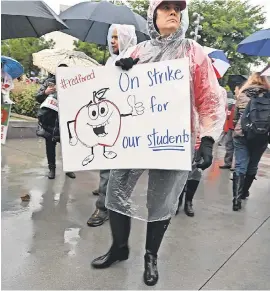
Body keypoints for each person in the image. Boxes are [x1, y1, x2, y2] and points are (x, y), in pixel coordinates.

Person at [91, 0, 226, 286]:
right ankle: (119, 247)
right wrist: (120, 69)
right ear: (153, 15)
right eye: (165, 7)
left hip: (173, 141)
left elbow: (211, 99)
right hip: (135, 139)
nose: (173, 12)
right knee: (116, 189)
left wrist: (208, 139)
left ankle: (150, 256)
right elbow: (110, 92)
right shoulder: (138, 51)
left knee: (162, 200)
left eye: (177, 8)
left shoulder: (194, 53)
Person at [87, 24, 138, 227]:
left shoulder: (137, 57)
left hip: (128, 125)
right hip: (109, 122)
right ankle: (103, 204)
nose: (113, 41)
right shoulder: (110, 61)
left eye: (117, 37)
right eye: (111, 37)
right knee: (107, 168)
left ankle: (110, 207)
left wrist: (132, 68)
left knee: (121, 171)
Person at [232, 72, 270, 211]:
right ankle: (243, 193)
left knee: (240, 165)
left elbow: (236, 116)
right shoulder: (268, 95)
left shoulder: (242, 93)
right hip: (261, 136)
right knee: (253, 165)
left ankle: (236, 200)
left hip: (241, 134)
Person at [36, 65, 76, 180]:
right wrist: (45, 92)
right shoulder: (49, 82)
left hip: (65, 120)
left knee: (68, 146)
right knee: (50, 146)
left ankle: (69, 168)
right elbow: (38, 97)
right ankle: (52, 169)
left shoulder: (73, 82)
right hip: (50, 120)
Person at [219, 84, 243, 170]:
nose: (234, 91)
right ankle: (228, 162)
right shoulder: (233, 101)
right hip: (230, 127)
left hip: (237, 128)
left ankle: (236, 166)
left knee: (238, 148)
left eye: (236, 89)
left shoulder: (243, 101)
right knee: (229, 145)